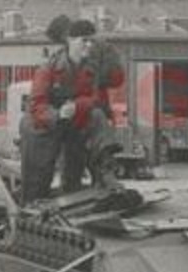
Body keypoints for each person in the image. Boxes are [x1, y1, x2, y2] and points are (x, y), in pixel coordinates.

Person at [20, 19, 125, 204]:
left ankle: (104, 176)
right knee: (38, 181)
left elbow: (94, 97)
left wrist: (76, 106)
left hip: (74, 119)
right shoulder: (48, 69)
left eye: (91, 41)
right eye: (84, 40)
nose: (89, 45)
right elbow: (36, 105)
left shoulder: (91, 68)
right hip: (43, 123)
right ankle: (32, 202)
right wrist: (58, 114)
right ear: (69, 40)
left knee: (97, 117)